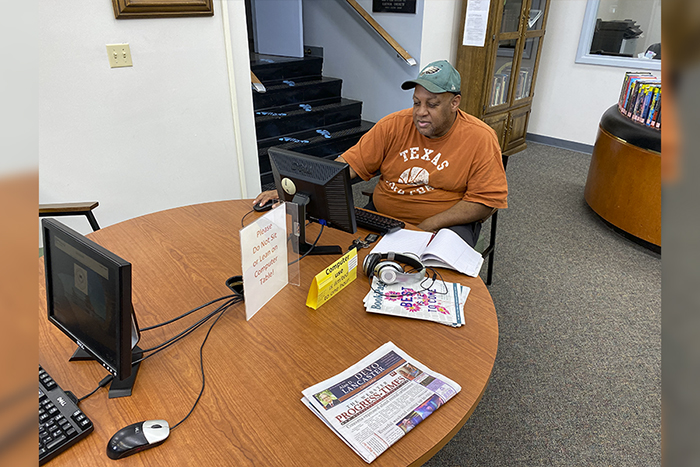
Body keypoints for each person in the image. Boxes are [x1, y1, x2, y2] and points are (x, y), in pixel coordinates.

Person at [253, 60, 508, 247]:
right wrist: (290, 188)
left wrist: (427, 225)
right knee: (345, 254)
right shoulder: (393, 125)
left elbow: (485, 204)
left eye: (432, 104)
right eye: (416, 103)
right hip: (384, 216)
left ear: (455, 103)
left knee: (434, 280)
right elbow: (346, 167)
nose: (420, 112)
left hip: (444, 225)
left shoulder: (480, 137)